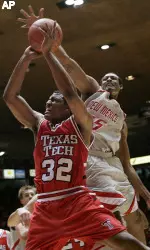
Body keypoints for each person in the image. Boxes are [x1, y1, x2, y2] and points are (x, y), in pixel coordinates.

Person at [3, 21, 150, 250]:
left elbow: (70, 93)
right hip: (49, 203)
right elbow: (11, 98)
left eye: (55, 100)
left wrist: (48, 53)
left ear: (68, 109)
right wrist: (30, 56)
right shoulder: (40, 124)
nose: (48, 102)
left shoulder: (83, 125)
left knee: (132, 229)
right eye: (49, 100)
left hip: (79, 195)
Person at [7, 185, 36, 249]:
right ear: (21, 201)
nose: (30, 197)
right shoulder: (19, 213)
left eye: (32, 194)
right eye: (26, 195)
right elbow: (24, 234)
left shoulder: (39, 213)